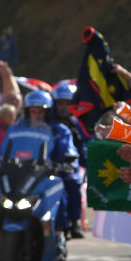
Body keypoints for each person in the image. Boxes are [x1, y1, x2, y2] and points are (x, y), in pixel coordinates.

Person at [2, 91, 77, 242]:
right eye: (33, 111)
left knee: (64, 187)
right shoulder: (15, 129)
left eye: (41, 112)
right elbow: (2, 151)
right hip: (20, 174)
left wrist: (63, 163)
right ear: (27, 112)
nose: (37, 115)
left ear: (48, 112)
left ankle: (60, 231)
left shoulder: (60, 130)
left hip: (46, 174)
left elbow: (68, 151)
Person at [51, 82, 87, 238]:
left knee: (72, 184)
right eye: (60, 103)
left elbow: (83, 146)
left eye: (68, 103)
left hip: (67, 166)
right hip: (44, 165)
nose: (64, 107)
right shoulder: (45, 121)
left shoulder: (76, 123)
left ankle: (74, 222)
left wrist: (87, 163)